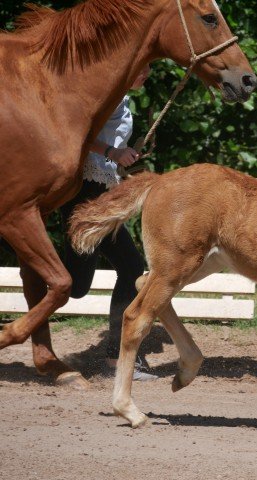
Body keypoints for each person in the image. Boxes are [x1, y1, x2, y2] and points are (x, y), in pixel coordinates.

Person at [61, 64, 157, 381]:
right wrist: (113, 153)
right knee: (75, 287)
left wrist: (118, 160)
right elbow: (78, 133)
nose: (146, 74)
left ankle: (118, 359)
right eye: (142, 69)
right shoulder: (106, 96)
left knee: (129, 268)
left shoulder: (122, 100)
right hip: (85, 196)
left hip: (101, 194)